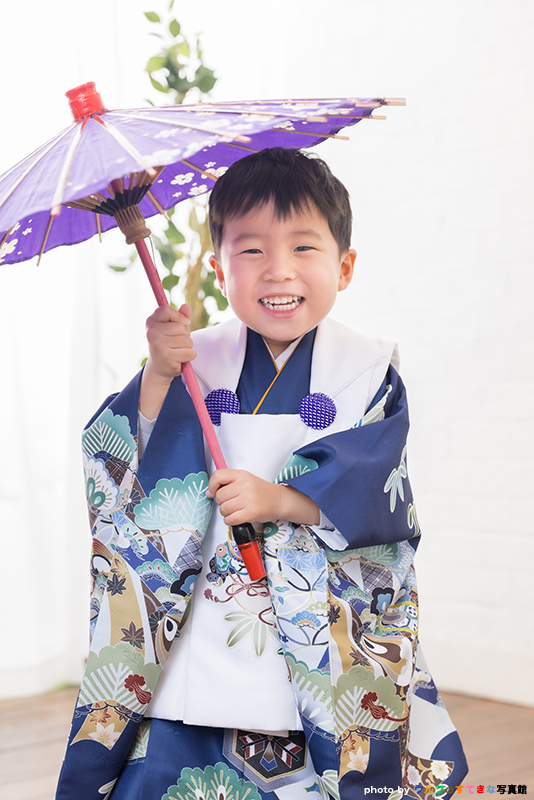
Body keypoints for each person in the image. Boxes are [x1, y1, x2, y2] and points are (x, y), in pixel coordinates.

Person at [56, 148, 467, 800]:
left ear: (345, 266)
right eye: (251, 250)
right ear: (220, 270)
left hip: (312, 626)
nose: (279, 269)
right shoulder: (193, 359)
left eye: (303, 247)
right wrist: (158, 374)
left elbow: (379, 488)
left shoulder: (366, 371)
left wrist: (281, 499)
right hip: (203, 614)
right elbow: (118, 466)